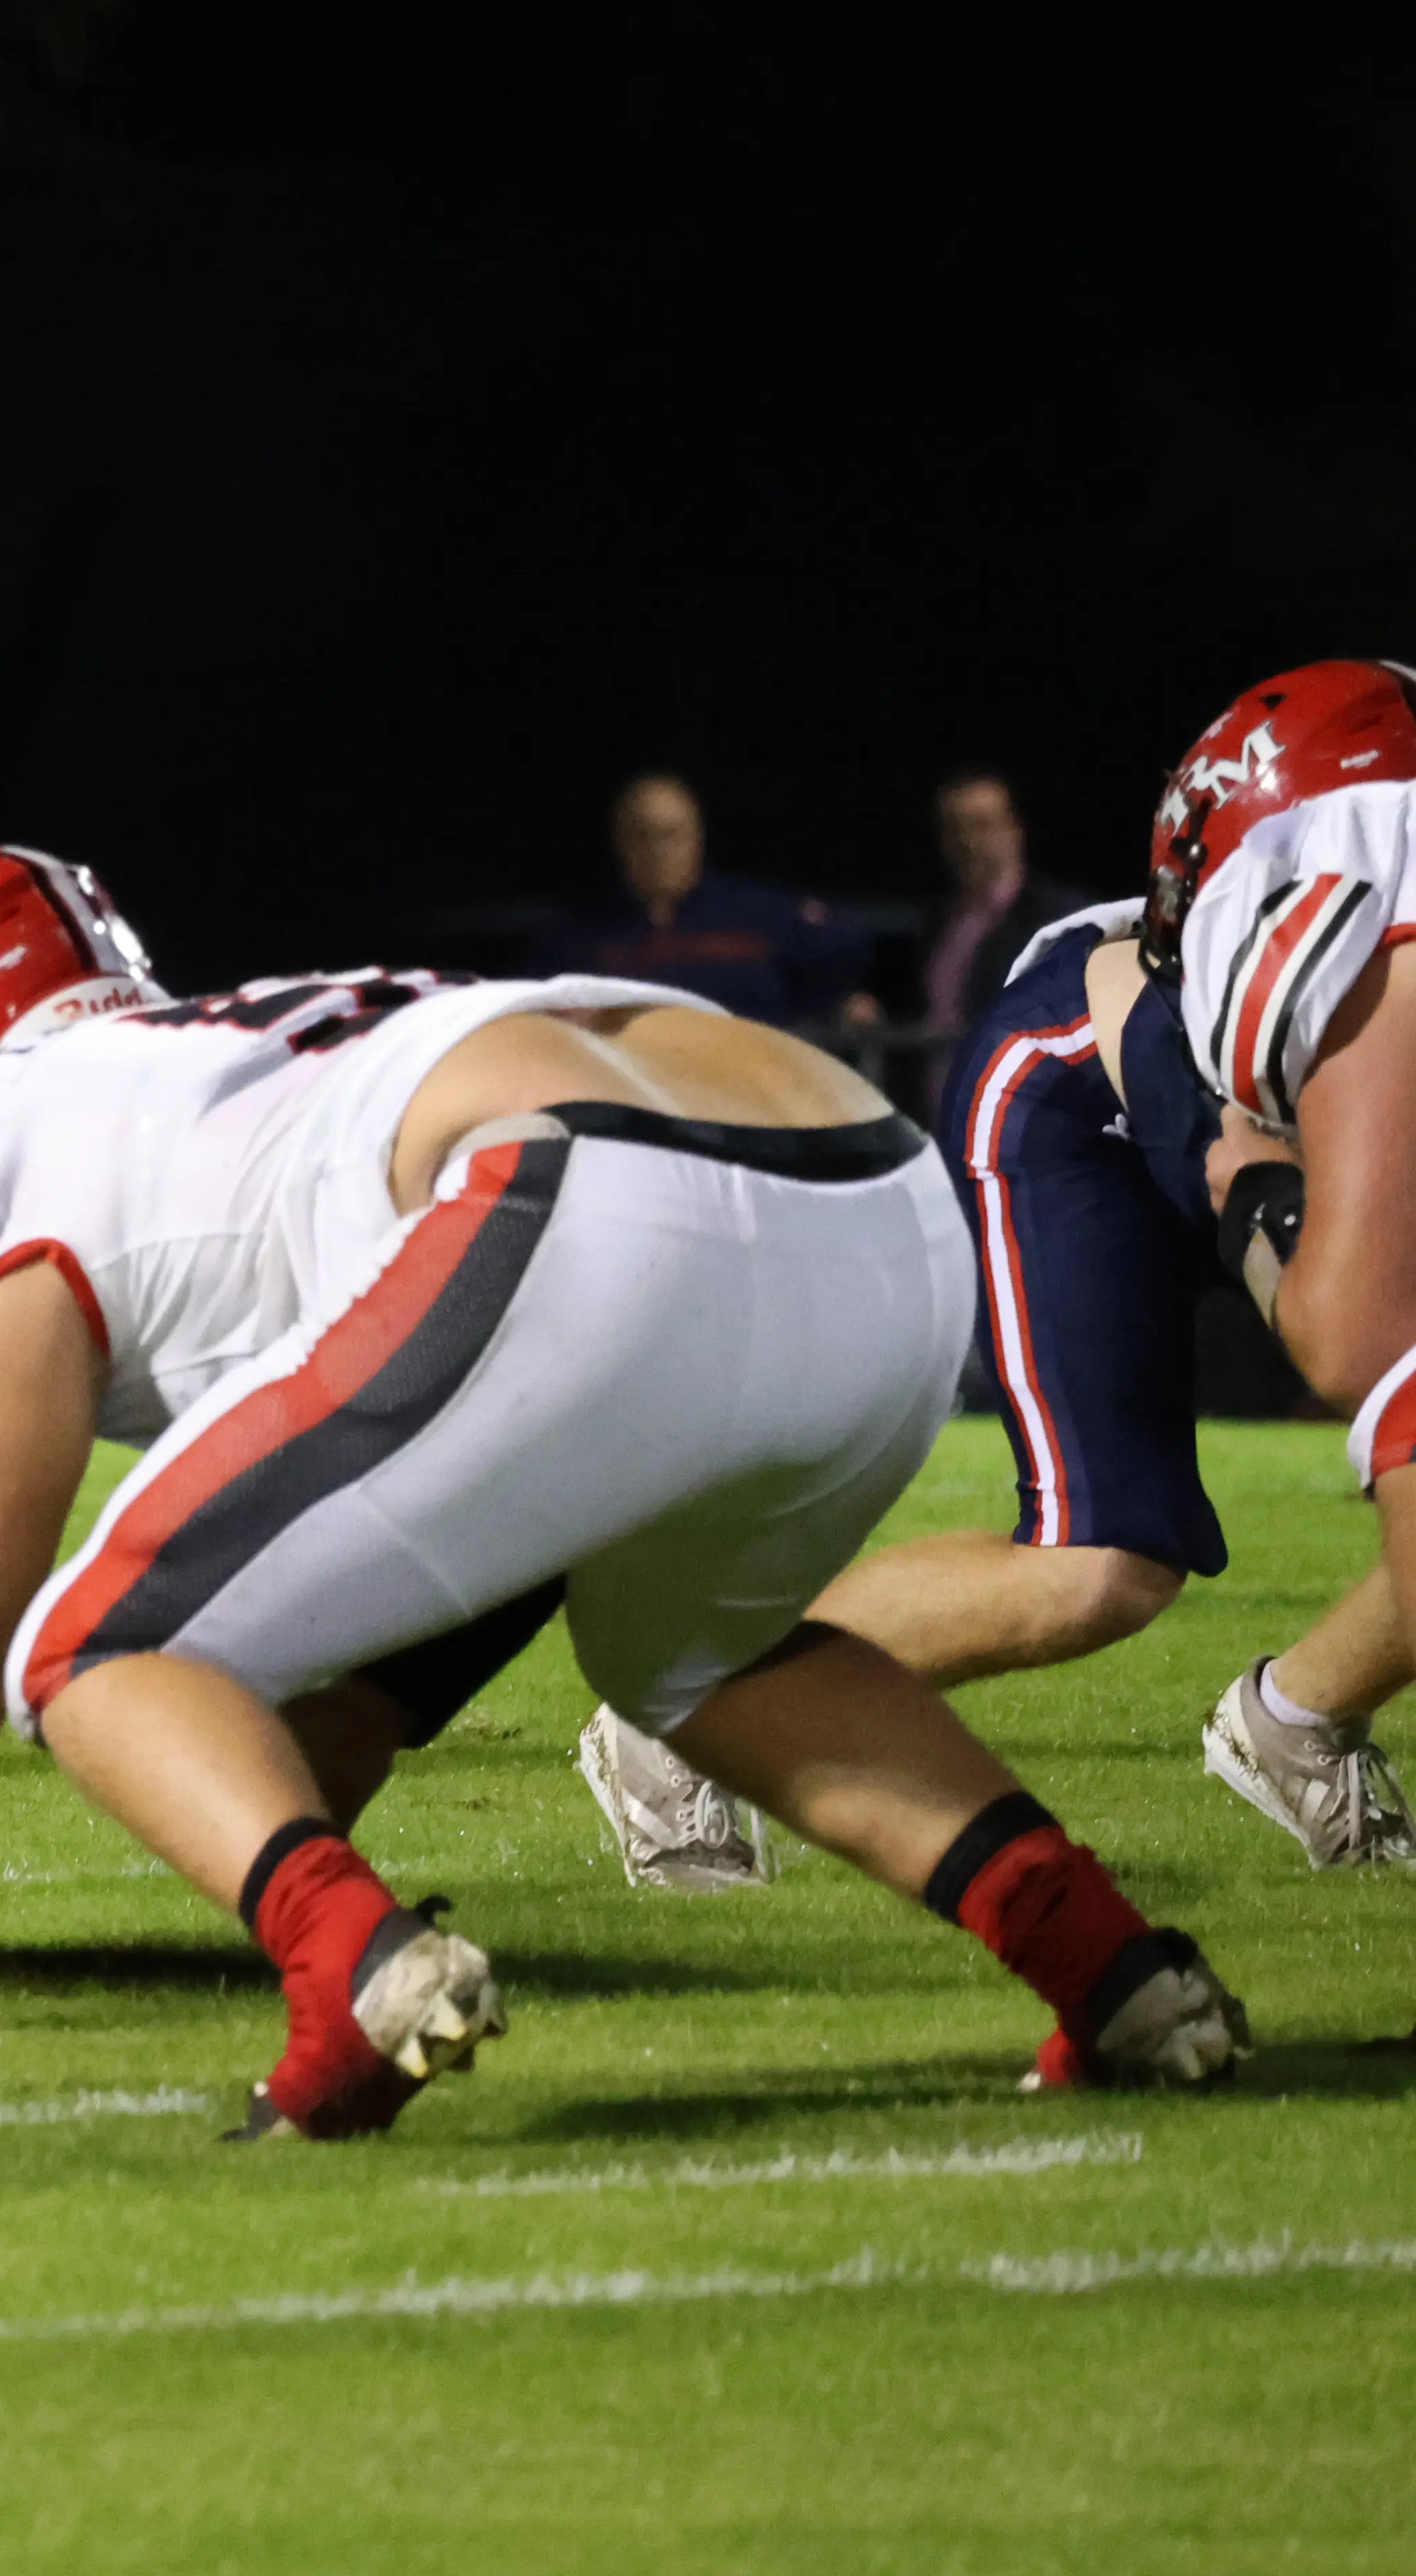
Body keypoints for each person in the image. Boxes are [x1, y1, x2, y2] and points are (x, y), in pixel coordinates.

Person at [0, 845, 1247, 2130]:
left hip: (590, 1207)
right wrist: (282, 1813)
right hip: (879, 1211)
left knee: (90, 1644)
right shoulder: (229, 1057)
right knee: (690, 1656)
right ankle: (1117, 1971)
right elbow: (462, 1553)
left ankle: (362, 1980)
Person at [577, 896, 1414, 1887]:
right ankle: (685, 1705)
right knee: (1097, 1568)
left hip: (1244, 1120)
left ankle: (1300, 1717)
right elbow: (1247, 1175)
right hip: (1080, 1101)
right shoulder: (1337, 910)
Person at [1143, 663, 1416, 2021]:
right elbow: (1365, 1336)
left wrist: (1256, 1179)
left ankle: (1296, 1714)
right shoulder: (1374, 861)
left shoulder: (1341, 853)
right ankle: (1295, 1714)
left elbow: (1350, 1331)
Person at [525, 771, 878, 1030]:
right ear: (619, 842)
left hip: (745, 1091)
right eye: (643, 835)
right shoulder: (582, 933)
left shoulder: (753, 913)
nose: (658, 851)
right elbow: (533, 1002)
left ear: (698, 837)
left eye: (671, 835)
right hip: (628, 1101)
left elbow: (843, 953)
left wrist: (825, 1010)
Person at [910, 767, 1095, 1118]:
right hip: (945, 1120)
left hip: (1023, 1123)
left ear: (1014, 830)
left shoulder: (1059, 919)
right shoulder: (940, 919)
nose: (968, 842)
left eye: (981, 826)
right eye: (955, 828)